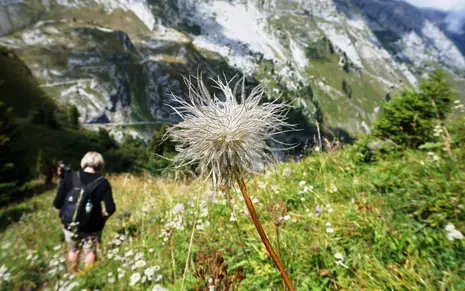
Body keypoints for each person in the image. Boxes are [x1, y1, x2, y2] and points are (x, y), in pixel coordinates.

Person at [53, 152, 116, 274]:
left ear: (83, 163)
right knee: (90, 251)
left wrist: (63, 220)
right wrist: (104, 219)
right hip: (93, 225)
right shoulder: (103, 182)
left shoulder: (70, 177)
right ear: (100, 165)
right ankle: (88, 278)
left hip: (70, 224)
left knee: (73, 250)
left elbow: (57, 203)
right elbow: (110, 208)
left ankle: (74, 273)